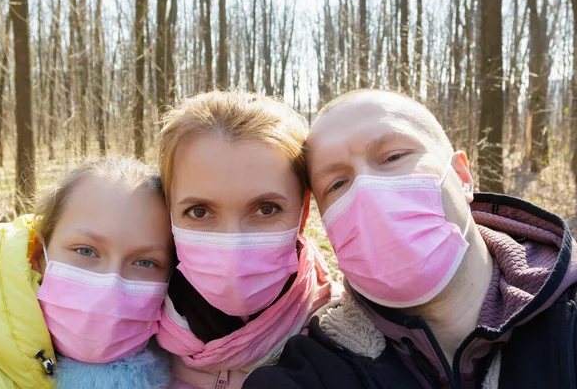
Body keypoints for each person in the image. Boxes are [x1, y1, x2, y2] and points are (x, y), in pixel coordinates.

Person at [243, 90, 577, 388]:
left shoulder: (568, 319)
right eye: (337, 184)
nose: (368, 192)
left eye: (393, 157)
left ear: (462, 176)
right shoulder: (315, 366)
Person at [156, 91, 337, 389]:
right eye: (199, 211)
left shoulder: (349, 345)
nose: (233, 245)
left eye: (266, 209)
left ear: (303, 215)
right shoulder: (127, 331)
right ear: (170, 213)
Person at [0, 158, 174, 389]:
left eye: (144, 262)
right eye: (86, 250)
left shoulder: (189, 371)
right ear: (39, 253)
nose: (108, 291)